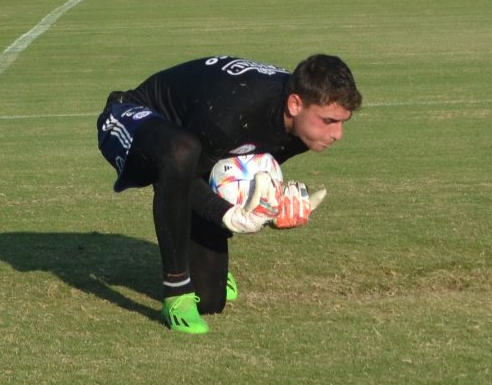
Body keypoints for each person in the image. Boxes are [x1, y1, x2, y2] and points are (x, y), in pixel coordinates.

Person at [96, 54, 362, 334]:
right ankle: (175, 291)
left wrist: (273, 205)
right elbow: (179, 180)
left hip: (199, 146)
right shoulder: (232, 111)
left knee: (210, 300)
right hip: (131, 116)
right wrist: (226, 214)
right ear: (295, 104)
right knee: (180, 154)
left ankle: (204, 275)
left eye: (342, 122)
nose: (338, 134)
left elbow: (239, 168)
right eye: (330, 121)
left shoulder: (300, 125)